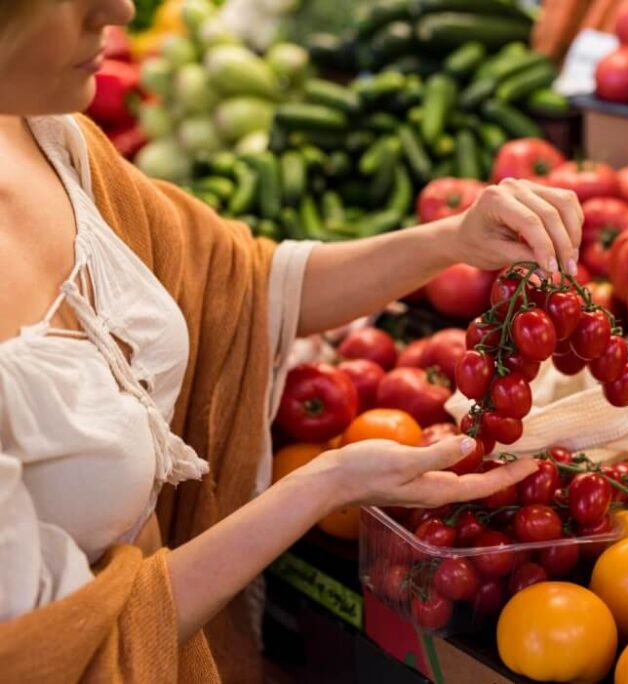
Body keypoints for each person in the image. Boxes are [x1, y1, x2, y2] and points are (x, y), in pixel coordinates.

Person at [0, 1, 583, 681]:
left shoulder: (46, 133)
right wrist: (323, 485)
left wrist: (454, 239)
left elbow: (242, 284)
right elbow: (59, 653)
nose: (120, 8)